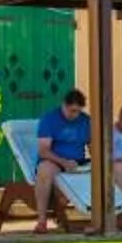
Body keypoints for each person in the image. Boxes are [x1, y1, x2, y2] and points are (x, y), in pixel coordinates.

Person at [30, 90, 94, 232]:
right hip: (56, 161)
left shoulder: (85, 121)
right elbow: (43, 151)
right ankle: (42, 221)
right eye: (72, 111)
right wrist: (64, 162)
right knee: (44, 170)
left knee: (108, 168)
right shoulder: (49, 119)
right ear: (63, 105)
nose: (74, 115)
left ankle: (116, 217)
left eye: (78, 111)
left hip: (79, 162)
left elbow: (93, 148)